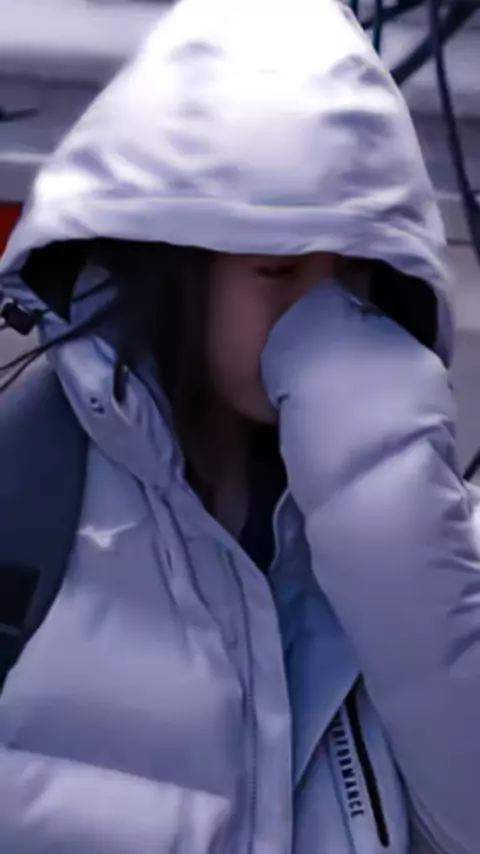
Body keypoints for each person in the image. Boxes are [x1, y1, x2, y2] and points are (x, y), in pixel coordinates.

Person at [0, 0, 478, 851]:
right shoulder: (29, 505)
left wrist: (390, 516)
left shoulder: (437, 549)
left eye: (355, 275)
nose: (323, 316)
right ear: (179, 257)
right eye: (280, 271)